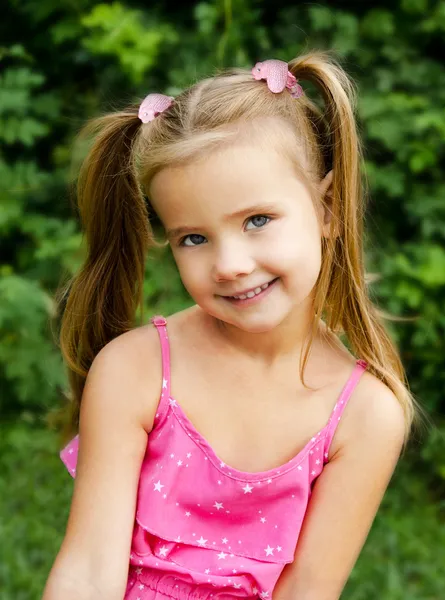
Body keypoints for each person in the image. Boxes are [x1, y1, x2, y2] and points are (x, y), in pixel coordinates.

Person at [42, 51, 425, 600]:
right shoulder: (136, 370)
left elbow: (308, 591)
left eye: (257, 221)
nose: (229, 264)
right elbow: (86, 573)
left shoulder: (365, 416)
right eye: (193, 238)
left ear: (329, 209)